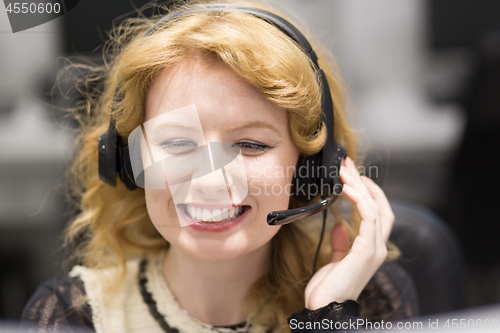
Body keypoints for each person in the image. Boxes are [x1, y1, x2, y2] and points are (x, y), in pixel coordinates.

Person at [21, 1, 418, 332]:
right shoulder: (72, 316)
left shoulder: (366, 296)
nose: (211, 182)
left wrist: (328, 318)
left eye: (250, 144)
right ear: (128, 160)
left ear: (311, 166)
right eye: (177, 143)